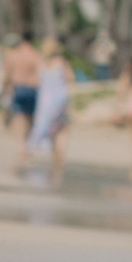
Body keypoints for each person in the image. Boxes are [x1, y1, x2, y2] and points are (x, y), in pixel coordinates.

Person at [28, 51, 74, 187]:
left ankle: (55, 165)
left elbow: (36, 82)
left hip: (45, 107)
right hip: (61, 104)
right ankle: (59, 167)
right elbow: (71, 79)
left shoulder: (42, 66)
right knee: (62, 133)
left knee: (51, 134)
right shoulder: (62, 64)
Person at [0, 32, 43, 168]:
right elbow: (42, 74)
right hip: (33, 89)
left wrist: (5, 88)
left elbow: (7, 74)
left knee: (18, 118)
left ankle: (20, 147)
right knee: (30, 119)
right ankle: (27, 146)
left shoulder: (14, 55)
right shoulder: (36, 55)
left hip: (18, 88)